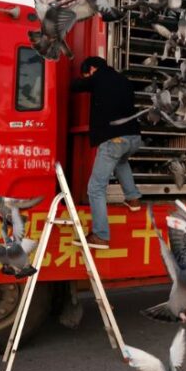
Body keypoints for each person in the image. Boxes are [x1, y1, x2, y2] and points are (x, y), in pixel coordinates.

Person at [70, 56, 143, 249]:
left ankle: (101, 235)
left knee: (95, 187)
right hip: (134, 137)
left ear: (92, 69)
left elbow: (76, 86)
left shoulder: (99, 77)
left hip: (114, 138)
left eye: (87, 74)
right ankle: (133, 198)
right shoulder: (124, 80)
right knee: (121, 162)